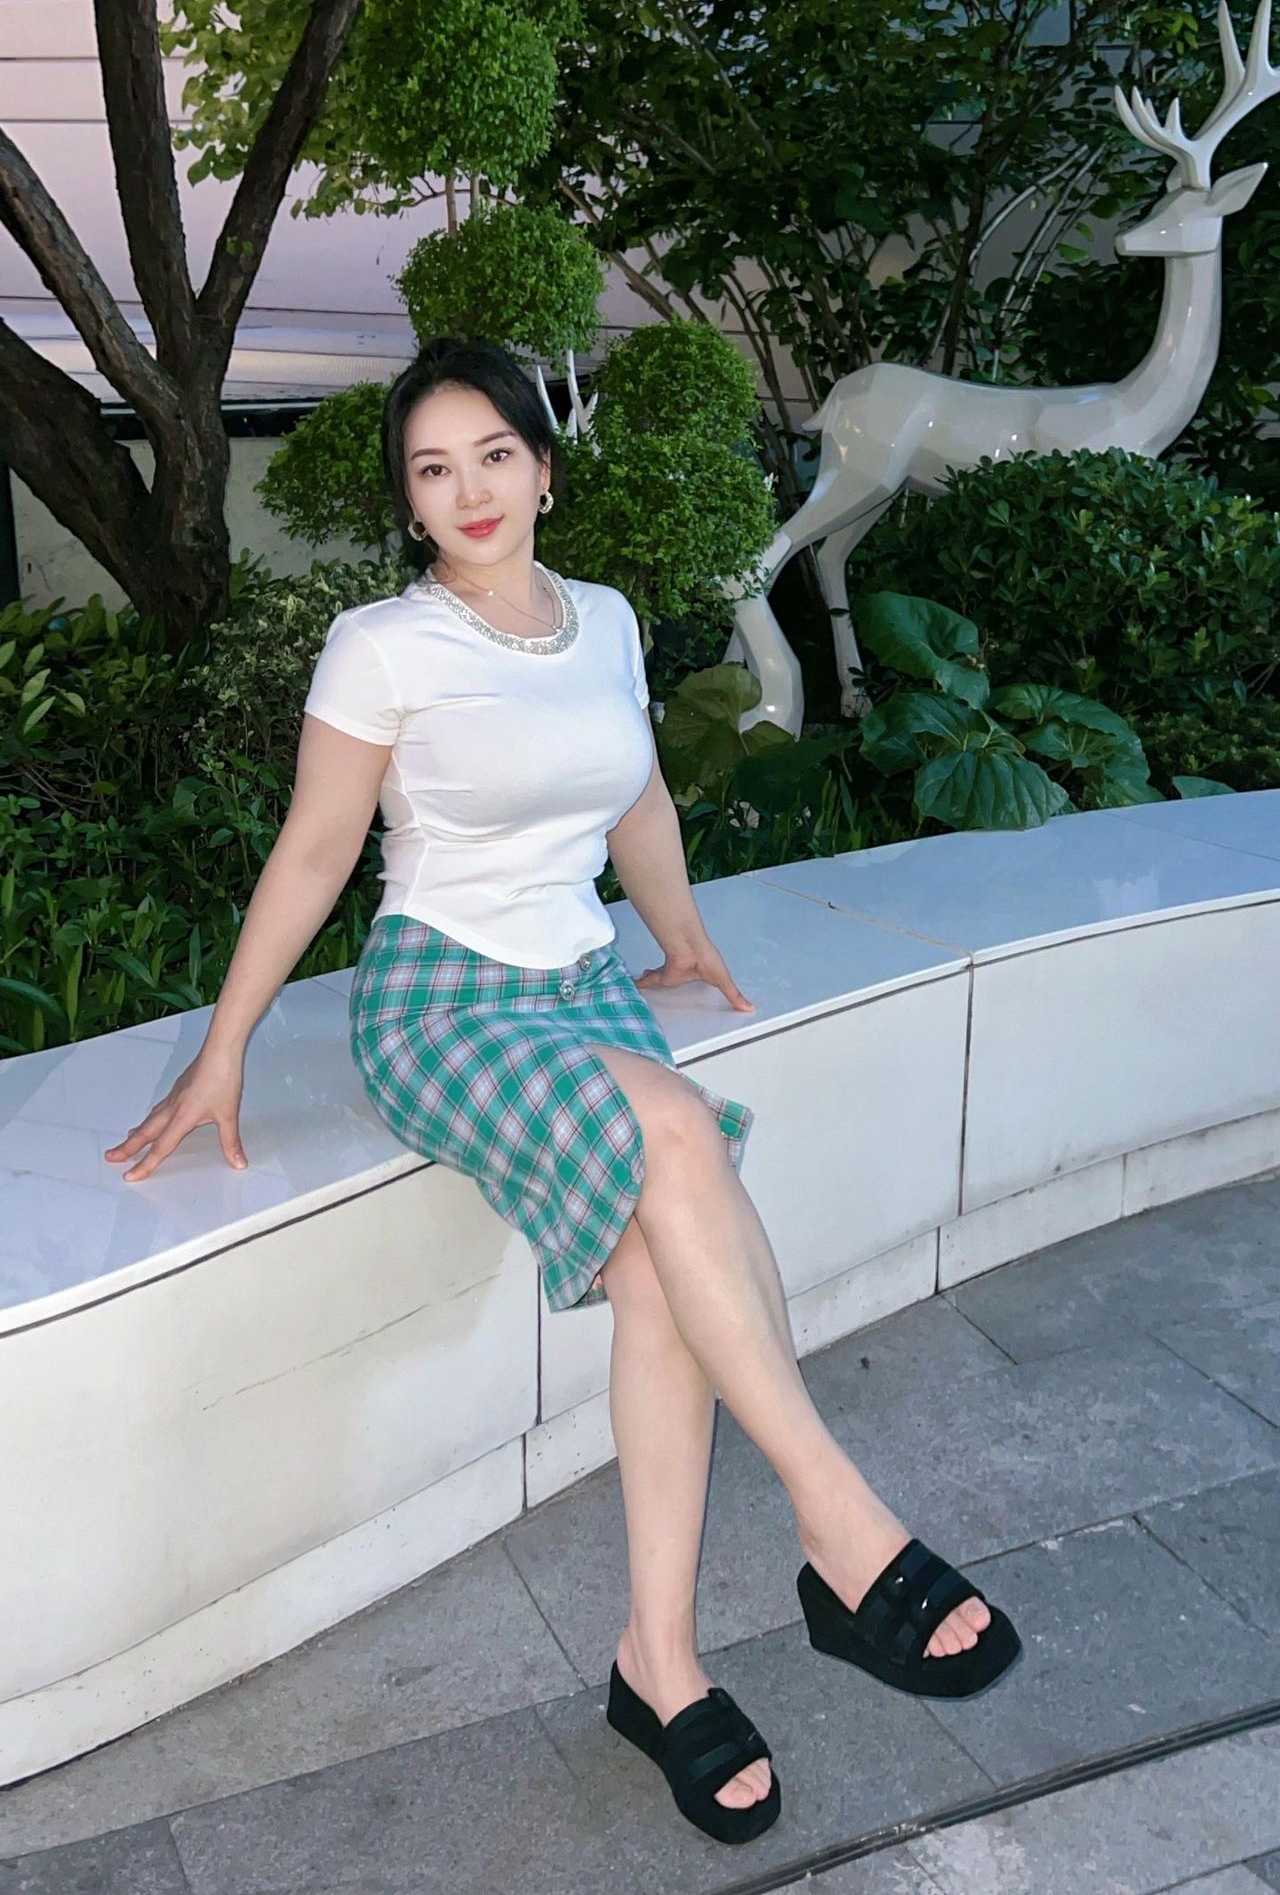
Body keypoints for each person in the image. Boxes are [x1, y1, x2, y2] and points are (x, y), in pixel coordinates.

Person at [105, 336, 1020, 1847]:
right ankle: (840, 1524)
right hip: (440, 1001)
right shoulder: (382, 645)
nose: (467, 490)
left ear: (543, 466)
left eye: (494, 455)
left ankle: (659, 1663)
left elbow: (637, 790)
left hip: (583, 984)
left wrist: (684, 934)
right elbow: (317, 848)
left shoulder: (604, 619)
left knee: (663, 1263)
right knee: (675, 1130)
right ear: (409, 500)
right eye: (432, 468)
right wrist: (224, 1047)